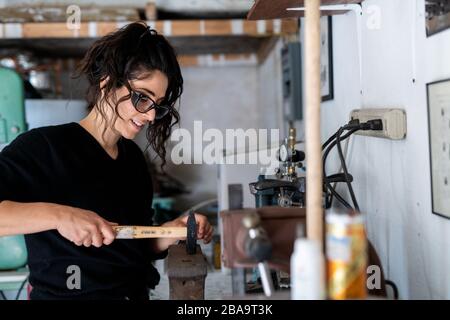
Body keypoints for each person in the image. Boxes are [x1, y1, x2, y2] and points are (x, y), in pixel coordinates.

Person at [0, 21, 213, 300]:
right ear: (107, 82)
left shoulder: (133, 160)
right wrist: (61, 215)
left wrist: (170, 231)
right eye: (142, 98)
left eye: (157, 105)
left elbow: (133, 246)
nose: (150, 116)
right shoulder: (44, 147)